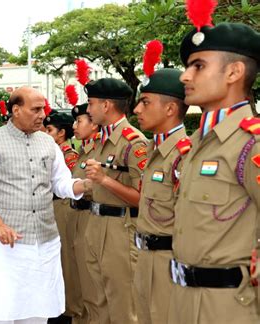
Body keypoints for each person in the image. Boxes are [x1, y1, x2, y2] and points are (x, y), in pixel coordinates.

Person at [0, 86, 92, 324]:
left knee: (37, 312)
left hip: (43, 243)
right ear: (16, 110)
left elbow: (61, 183)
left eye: (42, 108)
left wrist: (84, 185)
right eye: (35, 109)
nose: (42, 114)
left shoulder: (48, 143)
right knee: (0, 313)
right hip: (3, 247)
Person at [167, 23, 260, 324]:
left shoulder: (251, 143)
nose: (185, 76)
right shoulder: (196, 144)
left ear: (233, 73)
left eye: (198, 66)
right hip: (181, 298)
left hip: (228, 307)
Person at [83, 78, 148, 324]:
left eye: (91, 104)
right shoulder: (101, 140)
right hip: (96, 224)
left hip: (120, 230)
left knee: (123, 306)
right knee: (97, 303)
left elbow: (143, 197)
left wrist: (104, 179)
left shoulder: (134, 142)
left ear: (107, 105)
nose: (88, 110)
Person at [132, 68, 189, 324]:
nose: (136, 110)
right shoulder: (154, 149)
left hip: (168, 263)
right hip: (144, 258)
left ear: (170, 109)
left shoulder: (183, 155)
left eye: (145, 102)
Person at [43, 111, 80, 324]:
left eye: (50, 130)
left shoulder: (68, 155)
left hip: (62, 206)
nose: (46, 133)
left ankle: (64, 312)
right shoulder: (53, 151)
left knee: (64, 260)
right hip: (52, 208)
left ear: (61, 133)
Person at [66, 103, 101, 324]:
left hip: (91, 217)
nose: (74, 126)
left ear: (94, 123)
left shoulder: (98, 150)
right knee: (78, 281)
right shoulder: (84, 150)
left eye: (79, 121)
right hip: (77, 216)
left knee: (91, 286)